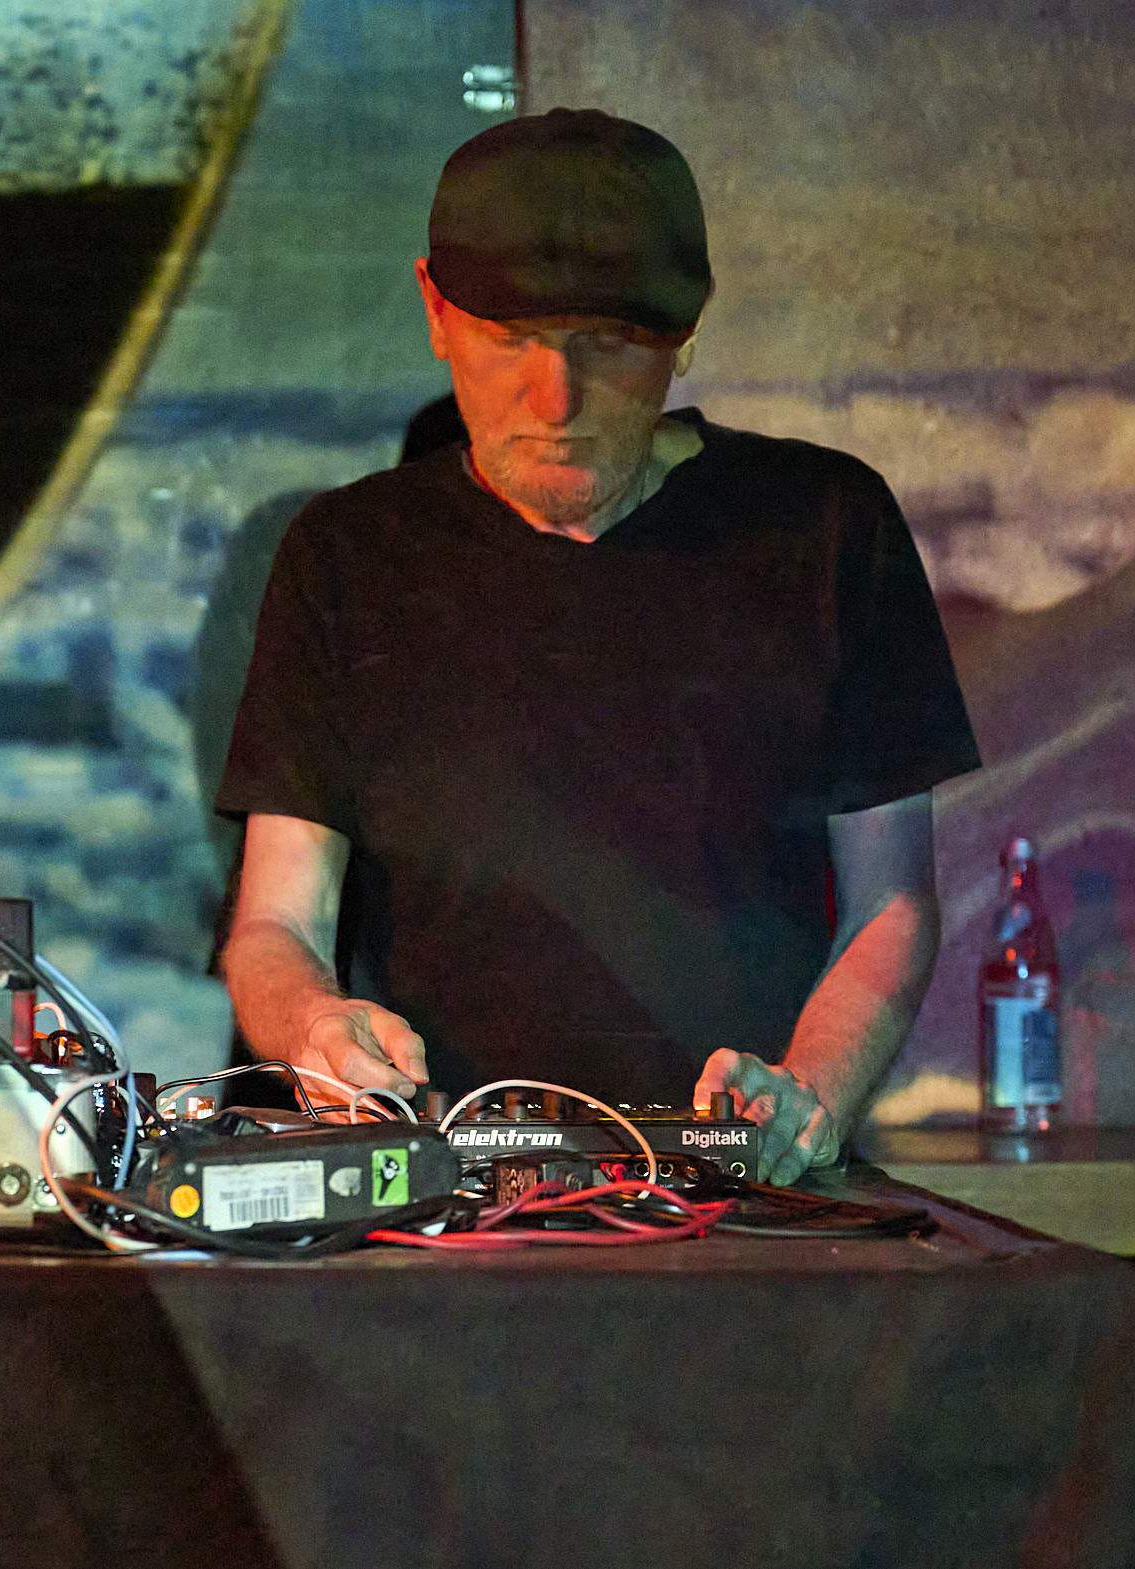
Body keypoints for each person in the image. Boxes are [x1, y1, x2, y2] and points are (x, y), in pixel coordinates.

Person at [215, 109, 980, 1185]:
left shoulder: (825, 528)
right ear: (435, 311)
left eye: (605, 345)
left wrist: (806, 1094)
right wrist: (312, 1028)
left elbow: (889, 902)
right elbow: (275, 921)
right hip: (436, 1201)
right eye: (509, 341)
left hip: (743, 1197)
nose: (555, 399)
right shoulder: (345, 554)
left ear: (683, 331)